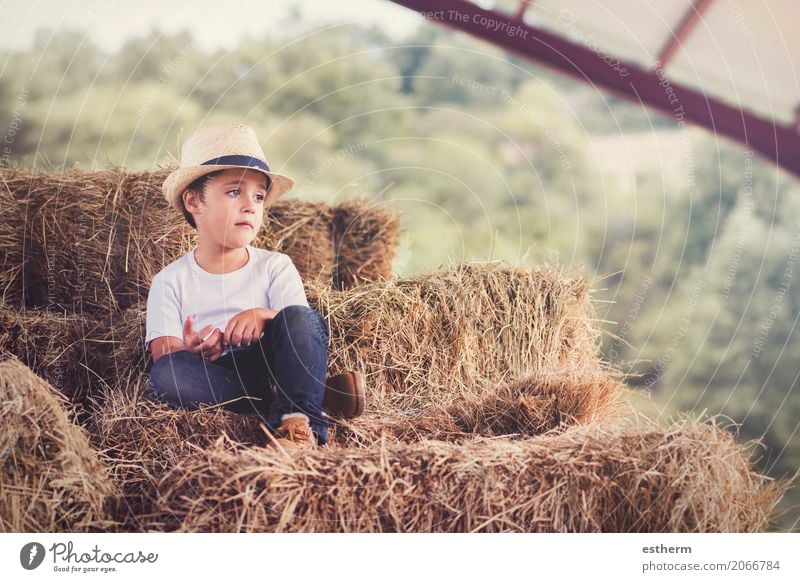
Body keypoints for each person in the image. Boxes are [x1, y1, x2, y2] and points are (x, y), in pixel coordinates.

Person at [145, 122, 365, 450]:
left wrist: (263, 317)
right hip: (218, 375)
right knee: (168, 375)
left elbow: (301, 327)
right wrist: (192, 350)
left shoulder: (274, 266)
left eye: (259, 196)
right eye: (234, 191)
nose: (250, 205)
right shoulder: (169, 281)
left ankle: (295, 422)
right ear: (193, 201)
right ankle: (306, 394)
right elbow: (162, 354)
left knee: (302, 320)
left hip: (271, 359)